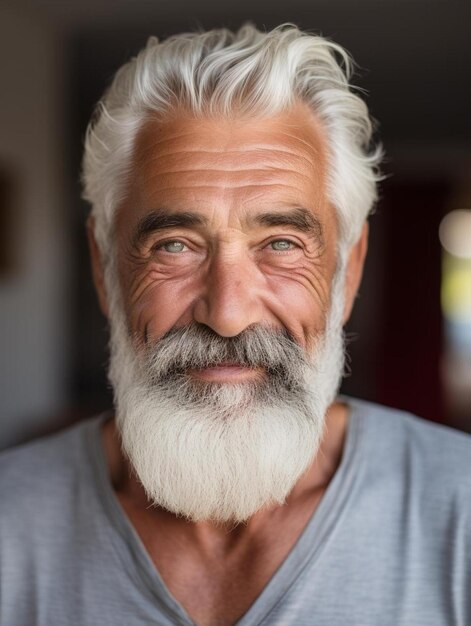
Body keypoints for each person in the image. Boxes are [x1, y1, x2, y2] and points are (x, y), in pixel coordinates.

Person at [0, 23, 470, 626]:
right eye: (174, 245)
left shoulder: (458, 511)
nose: (227, 313)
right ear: (104, 268)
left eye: (280, 243)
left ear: (347, 272)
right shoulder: (10, 524)